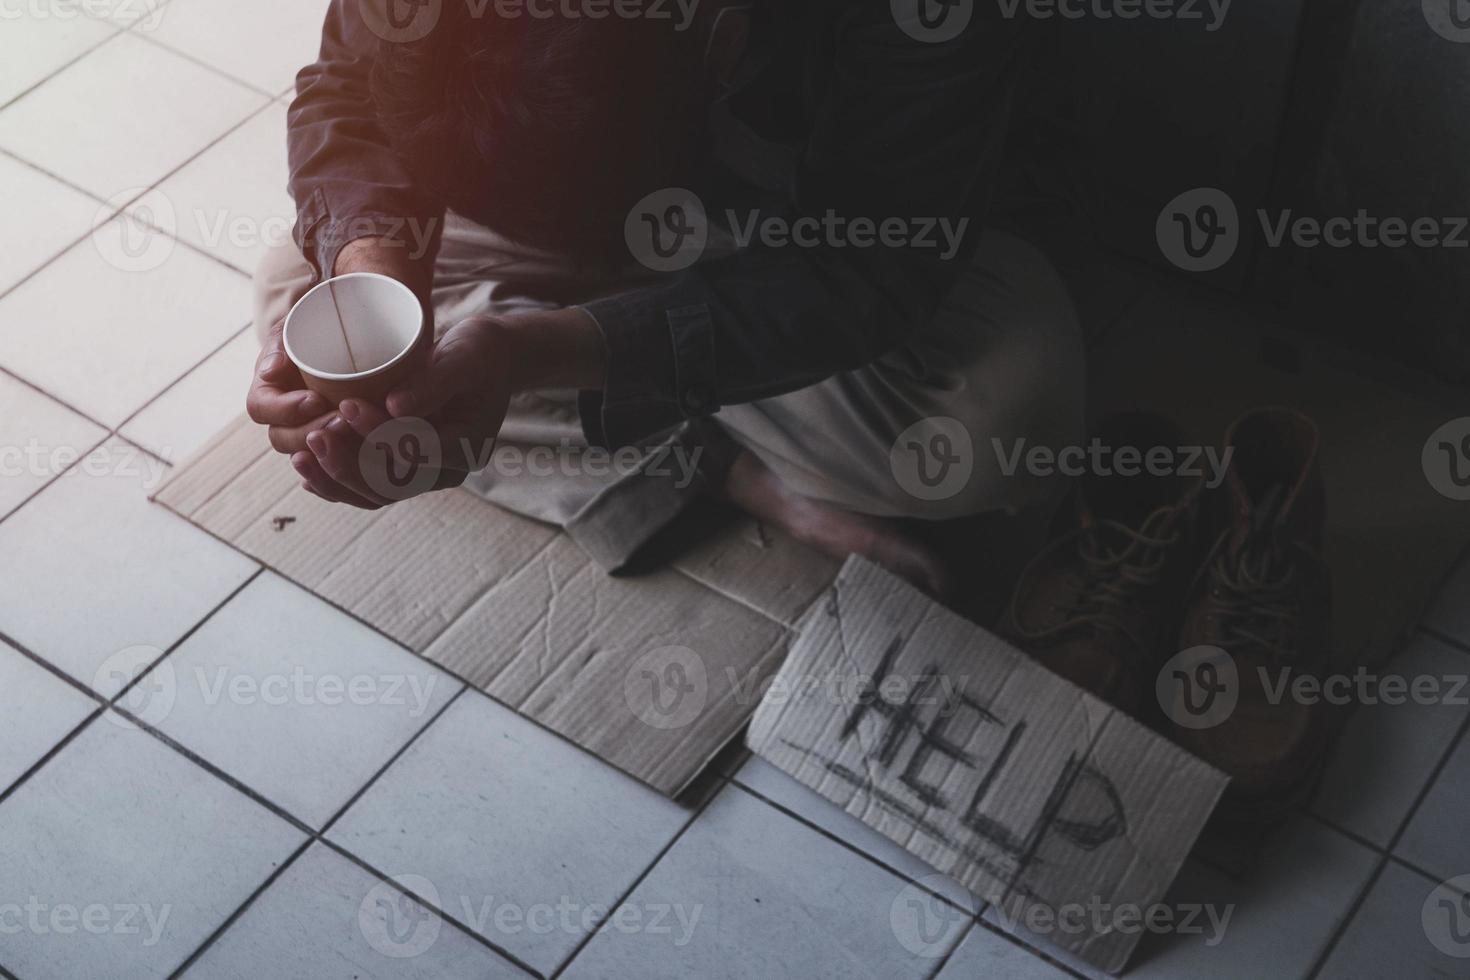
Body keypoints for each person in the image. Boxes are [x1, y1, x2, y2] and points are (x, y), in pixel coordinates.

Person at [248, 0, 1084, 598]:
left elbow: (870, 264)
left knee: (1003, 425)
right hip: (559, 176)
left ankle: (608, 400)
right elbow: (347, 86)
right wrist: (380, 283)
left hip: (780, 213)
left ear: (723, 43)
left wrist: (532, 351)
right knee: (301, 293)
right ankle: (727, 470)